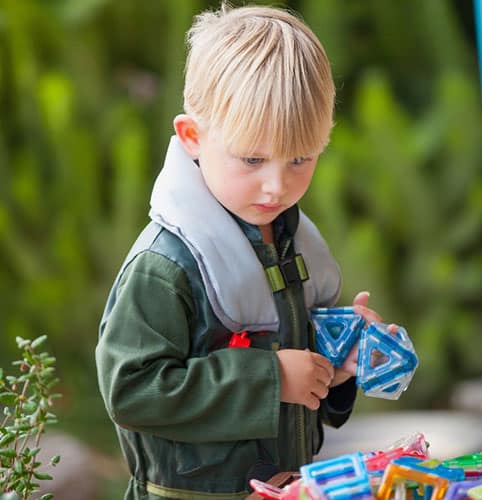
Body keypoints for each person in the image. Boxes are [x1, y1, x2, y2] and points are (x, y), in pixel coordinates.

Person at [96, 3, 390, 499]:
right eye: (252, 159)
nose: (276, 186)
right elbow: (131, 389)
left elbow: (303, 380)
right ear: (193, 137)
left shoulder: (287, 242)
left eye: (300, 158)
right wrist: (270, 377)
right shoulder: (165, 266)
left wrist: (337, 365)